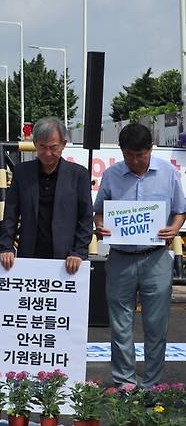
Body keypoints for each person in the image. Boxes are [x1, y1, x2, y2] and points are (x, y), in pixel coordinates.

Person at [94, 123, 186, 389]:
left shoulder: (168, 173)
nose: (135, 160)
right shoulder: (112, 175)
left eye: (141, 155)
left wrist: (175, 227)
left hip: (156, 257)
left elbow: (181, 210)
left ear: (150, 149)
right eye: (129, 155)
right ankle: (125, 383)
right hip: (120, 257)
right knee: (120, 324)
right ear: (122, 151)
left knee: (156, 325)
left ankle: (151, 386)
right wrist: (100, 226)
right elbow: (99, 210)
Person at [0, 116, 93, 274]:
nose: (48, 153)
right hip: (29, 256)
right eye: (42, 147)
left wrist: (78, 252)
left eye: (53, 147)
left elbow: (86, 217)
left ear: (63, 144)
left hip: (66, 260)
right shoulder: (22, 172)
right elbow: (11, 214)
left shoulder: (79, 175)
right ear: (35, 144)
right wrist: (6, 247)